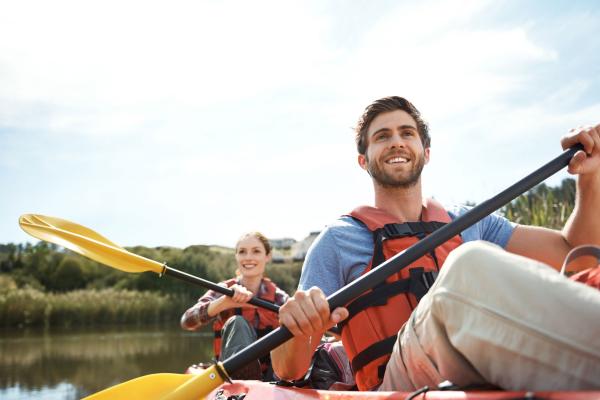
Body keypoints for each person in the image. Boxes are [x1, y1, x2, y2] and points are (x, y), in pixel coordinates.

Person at [271, 96, 600, 391]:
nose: (396, 143)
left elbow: (577, 253)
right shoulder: (337, 241)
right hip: (398, 382)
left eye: (407, 133)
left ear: (425, 153)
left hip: (482, 355)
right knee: (469, 263)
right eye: (382, 136)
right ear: (363, 160)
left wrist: (590, 175)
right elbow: (288, 369)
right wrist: (300, 326)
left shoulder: (472, 220)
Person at [181, 231, 289, 380]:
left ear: (267, 256)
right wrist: (223, 303)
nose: (248, 257)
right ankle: (244, 376)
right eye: (242, 252)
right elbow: (187, 322)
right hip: (232, 374)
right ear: (236, 256)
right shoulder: (223, 290)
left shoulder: (279, 297)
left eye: (256, 251)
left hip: (273, 375)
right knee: (237, 323)